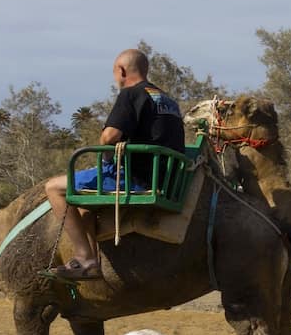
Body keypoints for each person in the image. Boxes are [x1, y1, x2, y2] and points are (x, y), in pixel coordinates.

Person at [43, 48, 185, 280]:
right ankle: (93, 265)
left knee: (54, 188)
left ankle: (84, 258)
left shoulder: (131, 94)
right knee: (84, 210)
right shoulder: (168, 100)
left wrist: (105, 143)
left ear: (121, 71)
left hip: (135, 180)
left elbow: (109, 137)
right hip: (164, 179)